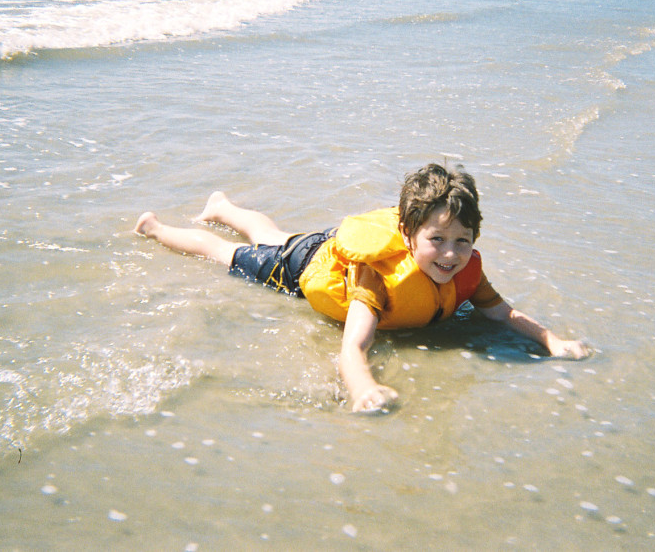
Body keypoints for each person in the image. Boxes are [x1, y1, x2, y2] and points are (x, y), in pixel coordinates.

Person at [134, 164, 590, 413]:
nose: (450, 255)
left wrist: (552, 340)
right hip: (303, 267)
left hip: (318, 246)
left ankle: (222, 204)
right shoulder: (377, 277)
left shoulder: (466, 270)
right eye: (437, 241)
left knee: (273, 234)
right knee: (229, 254)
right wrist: (363, 389)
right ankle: (158, 228)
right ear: (408, 237)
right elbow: (353, 347)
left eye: (462, 242)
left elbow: (503, 314)